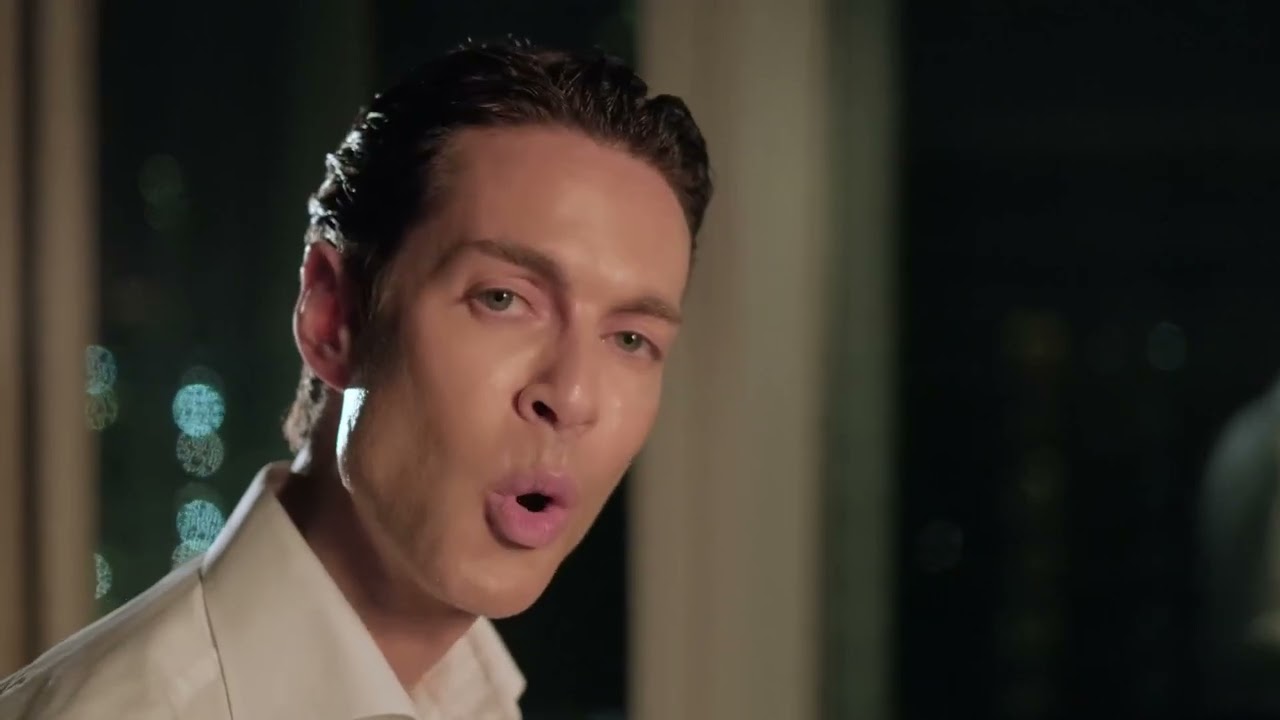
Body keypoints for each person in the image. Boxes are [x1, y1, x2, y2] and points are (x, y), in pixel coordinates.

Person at [0, 38, 711, 719]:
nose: (574, 396)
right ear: (332, 316)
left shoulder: (476, 698)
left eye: (630, 338)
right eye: (501, 299)